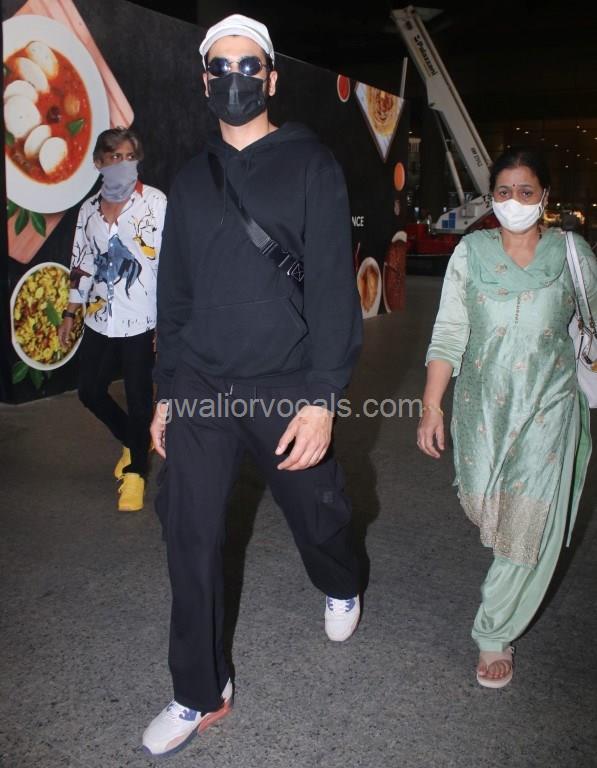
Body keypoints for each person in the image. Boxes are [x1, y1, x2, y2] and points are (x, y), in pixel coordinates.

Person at [142, 14, 363, 758]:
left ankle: (341, 579)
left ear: (270, 78)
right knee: (188, 535)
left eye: (248, 67)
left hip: (285, 383)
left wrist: (322, 399)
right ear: (204, 79)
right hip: (202, 385)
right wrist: (167, 392)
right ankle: (199, 690)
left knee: (319, 515)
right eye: (221, 67)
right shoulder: (189, 178)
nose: (234, 80)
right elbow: (174, 296)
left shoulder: (311, 165)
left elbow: (332, 289)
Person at [417, 146, 596, 688]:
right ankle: (504, 595)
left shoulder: (571, 253)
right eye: (503, 191)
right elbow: (450, 332)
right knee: (488, 509)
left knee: (527, 524)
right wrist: (431, 405)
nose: (514, 200)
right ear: (490, 196)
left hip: (550, 407)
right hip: (482, 411)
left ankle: (493, 632)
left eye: (525, 191)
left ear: (544, 196)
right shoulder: (470, 252)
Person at [58, 127, 167, 512]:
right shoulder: (88, 210)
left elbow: (170, 262)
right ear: (99, 163)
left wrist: (168, 322)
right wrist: (70, 311)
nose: (122, 164)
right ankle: (134, 440)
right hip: (101, 317)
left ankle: (135, 473)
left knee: (139, 398)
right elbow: (82, 262)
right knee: (89, 391)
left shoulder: (155, 202)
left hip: (142, 319)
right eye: (114, 157)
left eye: (129, 157)